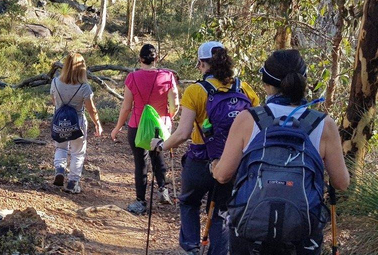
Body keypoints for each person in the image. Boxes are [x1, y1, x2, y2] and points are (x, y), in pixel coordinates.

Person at [213, 50, 350, 255]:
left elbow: (223, 175)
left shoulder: (248, 119)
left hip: (250, 231)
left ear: (266, 84)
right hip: (303, 230)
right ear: (303, 82)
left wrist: (213, 167)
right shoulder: (323, 124)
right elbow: (342, 182)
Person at [151, 41, 259, 255]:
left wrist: (161, 146)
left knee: (189, 202)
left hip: (201, 159)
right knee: (220, 211)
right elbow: (257, 123)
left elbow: (182, 133)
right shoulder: (244, 88)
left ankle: (191, 247)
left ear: (202, 64)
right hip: (232, 162)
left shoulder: (196, 91)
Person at [111, 44, 179, 214]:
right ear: (156, 59)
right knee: (158, 157)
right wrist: (169, 117)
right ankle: (163, 191)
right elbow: (175, 104)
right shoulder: (167, 76)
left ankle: (140, 202)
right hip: (160, 126)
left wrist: (117, 128)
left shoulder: (132, 78)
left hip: (137, 126)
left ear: (140, 59)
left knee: (141, 163)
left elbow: (126, 107)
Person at [51, 53, 103, 194]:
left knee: (60, 148)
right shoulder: (84, 87)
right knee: (78, 153)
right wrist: (97, 123)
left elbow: (54, 101)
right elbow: (91, 108)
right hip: (78, 122)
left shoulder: (55, 82)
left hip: (60, 121)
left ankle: (60, 169)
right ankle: (73, 183)